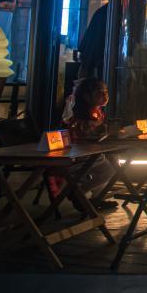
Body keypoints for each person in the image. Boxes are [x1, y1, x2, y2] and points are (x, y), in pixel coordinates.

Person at [61, 77, 117, 209]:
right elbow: (82, 136)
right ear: (86, 96)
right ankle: (79, 193)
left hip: (94, 153)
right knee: (108, 170)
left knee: (110, 169)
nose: (105, 96)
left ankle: (95, 198)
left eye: (106, 92)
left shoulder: (98, 112)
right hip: (79, 155)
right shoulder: (79, 117)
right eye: (99, 93)